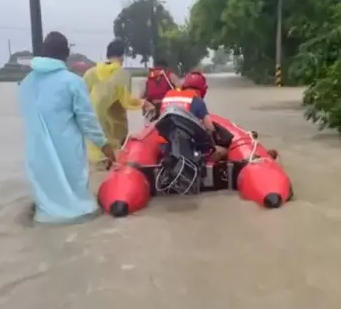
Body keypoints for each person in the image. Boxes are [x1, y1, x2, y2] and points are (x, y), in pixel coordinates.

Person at [18, 31, 115, 223]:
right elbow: (87, 121)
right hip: (67, 154)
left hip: (37, 156)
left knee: (47, 202)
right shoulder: (72, 82)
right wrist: (105, 146)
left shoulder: (25, 83)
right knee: (80, 208)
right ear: (66, 54)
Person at [82, 39, 154, 168]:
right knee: (113, 172)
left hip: (90, 132)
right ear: (122, 56)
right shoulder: (122, 74)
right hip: (112, 135)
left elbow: (82, 98)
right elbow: (127, 100)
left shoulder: (90, 73)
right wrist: (144, 103)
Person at [158, 71, 227, 161]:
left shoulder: (168, 95)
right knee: (223, 151)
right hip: (189, 147)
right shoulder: (197, 100)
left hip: (164, 146)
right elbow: (210, 128)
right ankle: (208, 170)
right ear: (203, 89)